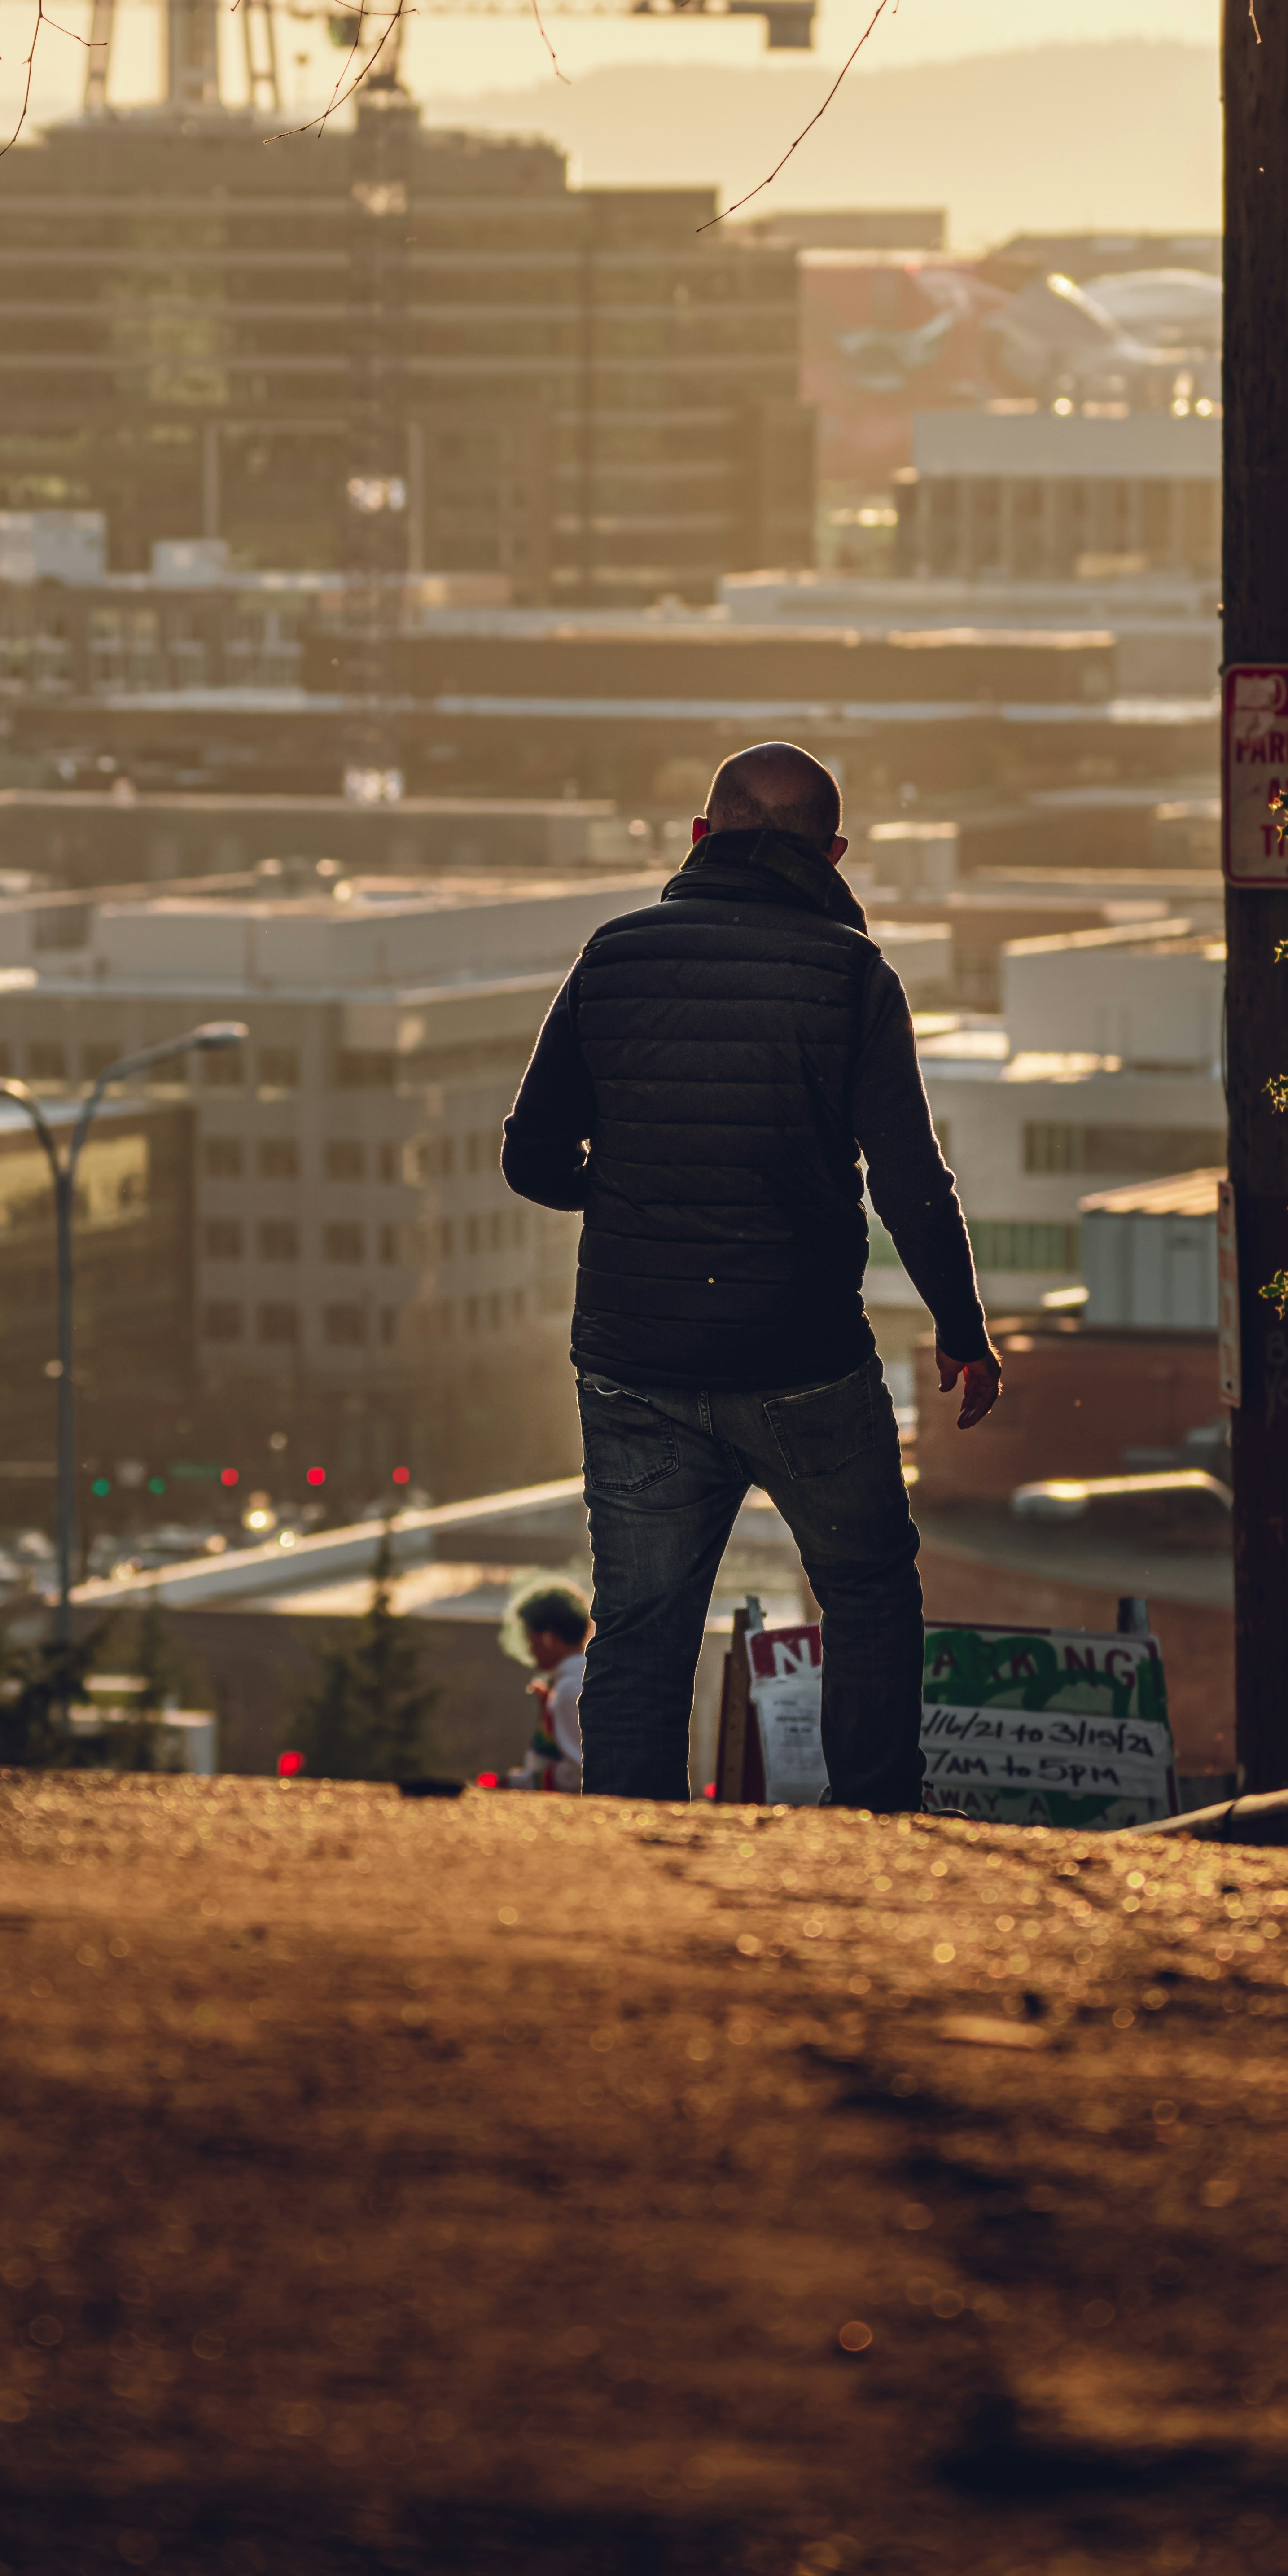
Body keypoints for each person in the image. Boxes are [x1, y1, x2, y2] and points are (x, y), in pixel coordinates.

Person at [500, 741, 1000, 1809]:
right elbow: (911, 1181)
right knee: (867, 1586)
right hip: (803, 1357)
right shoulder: (852, 977)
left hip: (635, 1358)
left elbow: (530, 1158)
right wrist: (964, 1330)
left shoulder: (614, 956)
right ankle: (872, 1817)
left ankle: (631, 1836)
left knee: (640, 1622)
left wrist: (638, 1195)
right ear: (832, 853)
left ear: (699, 837)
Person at [494, 1578, 589, 1792]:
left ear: (548, 1639)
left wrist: (513, 1783)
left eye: (531, 1639)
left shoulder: (569, 1690)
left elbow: (578, 1776)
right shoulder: (581, 1677)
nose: (529, 1650)